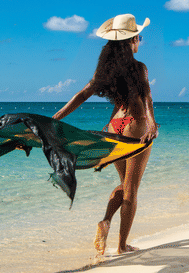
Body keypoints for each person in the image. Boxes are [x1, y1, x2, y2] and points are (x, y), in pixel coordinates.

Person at [53, 14, 158, 254]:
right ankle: (122, 246)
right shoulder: (139, 67)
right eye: (138, 36)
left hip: (115, 126)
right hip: (135, 124)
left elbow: (82, 93)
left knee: (124, 183)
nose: (140, 40)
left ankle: (106, 221)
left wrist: (55, 118)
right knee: (131, 189)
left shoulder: (107, 70)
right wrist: (151, 123)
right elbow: (146, 98)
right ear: (132, 40)